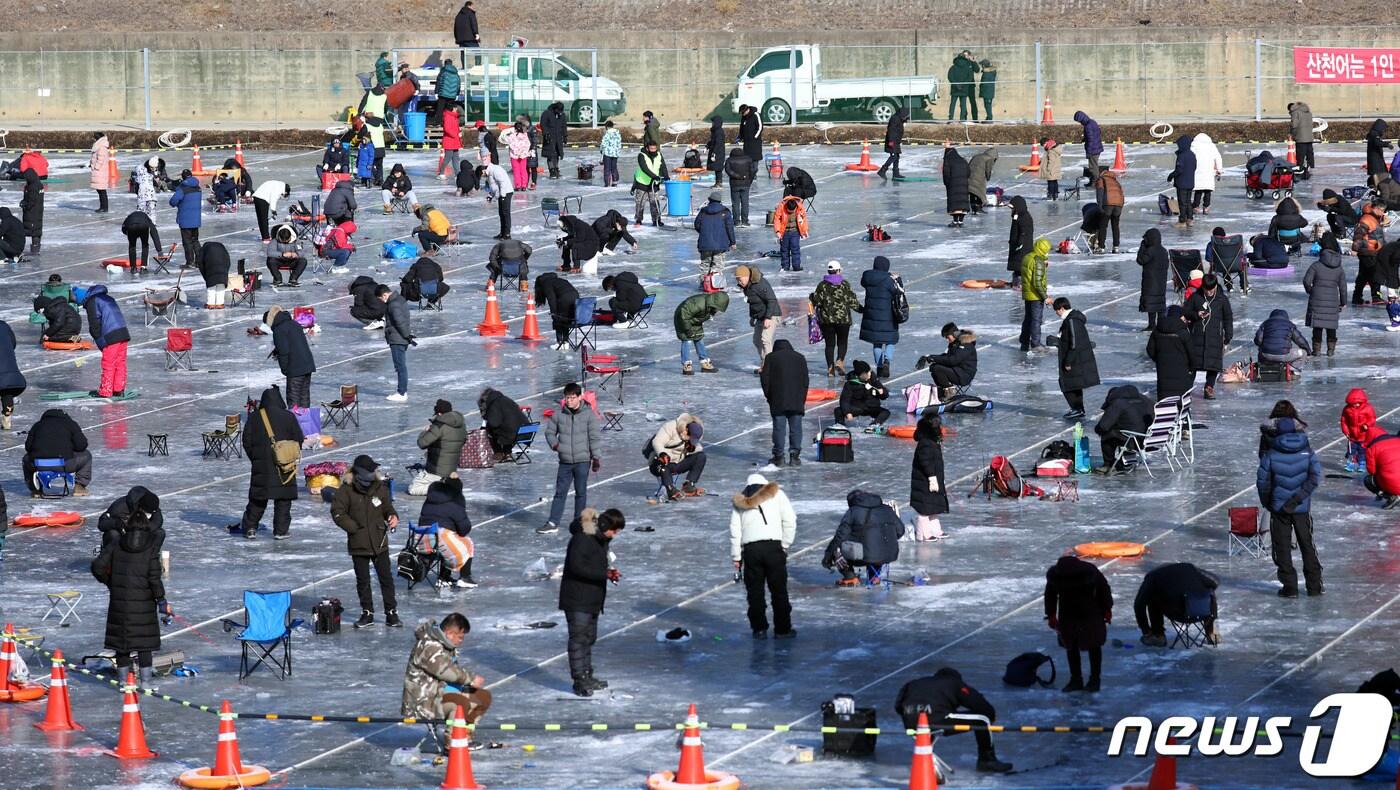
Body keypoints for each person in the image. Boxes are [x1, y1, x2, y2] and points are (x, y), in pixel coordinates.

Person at [91, 490, 167, 686]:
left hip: (120, 597)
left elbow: (97, 566)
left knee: (122, 644)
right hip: (143, 601)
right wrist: (161, 599)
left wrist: (111, 581)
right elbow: (154, 577)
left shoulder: (117, 544)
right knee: (144, 645)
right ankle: (146, 683)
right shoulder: (148, 549)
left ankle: (124, 682)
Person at [894, 669, 1012, 773]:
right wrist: (991, 716)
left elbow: (898, 706)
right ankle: (987, 761)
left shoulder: (913, 683)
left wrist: (914, 713)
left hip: (911, 722)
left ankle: (928, 759)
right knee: (983, 719)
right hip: (936, 719)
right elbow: (977, 702)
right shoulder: (954, 682)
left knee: (931, 724)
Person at [402, 612, 489, 753]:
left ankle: (465, 736)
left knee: (481, 698)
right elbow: (444, 670)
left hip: (440, 692)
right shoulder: (429, 646)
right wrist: (470, 679)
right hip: (424, 700)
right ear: (449, 633)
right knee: (460, 703)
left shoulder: (443, 644)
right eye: (460, 637)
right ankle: (452, 742)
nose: (461, 641)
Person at [560, 507, 624, 697]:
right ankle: (579, 680)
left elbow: (595, 565)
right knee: (579, 639)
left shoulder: (601, 540)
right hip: (577, 598)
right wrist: (603, 574)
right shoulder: (582, 539)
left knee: (589, 638)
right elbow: (577, 567)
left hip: (592, 598)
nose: (615, 535)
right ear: (605, 525)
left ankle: (587, 675)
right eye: (615, 530)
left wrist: (608, 573)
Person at [1256, 417, 1323, 598]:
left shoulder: (1270, 454)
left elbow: (1263, 482)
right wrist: (1299, 498)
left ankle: (1290, 588)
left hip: (1278, 509)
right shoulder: (1307, 451)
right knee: (1307, 545)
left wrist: (1267, 502)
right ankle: (1315, 586)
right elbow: (1315, 478)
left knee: (1282, 547)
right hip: (1301, 508)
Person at [332, 455, 400, 628]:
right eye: (370, 470)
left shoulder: (380, 487)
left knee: (386, 578)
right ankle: (367, 612)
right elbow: (338, 513)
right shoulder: (346, 490)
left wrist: (393, 516)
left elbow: (387, 507)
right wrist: (354, 528)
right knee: (363, 580)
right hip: (358, 543)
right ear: (361, 473)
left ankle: (391, 612)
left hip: (379, 540)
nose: (373, 473)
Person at [729, 472, 796, 639]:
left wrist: (736, 557)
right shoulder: (778, 494)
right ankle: (783, 629)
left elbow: (735, 531)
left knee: (755, 592)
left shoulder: (740, 501)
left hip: (751, 551)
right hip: (774, 548)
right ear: (765, 484)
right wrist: (785, 545)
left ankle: (759, 629)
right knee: (779, 591)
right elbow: (790, 520)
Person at [235, 385, 303, 540]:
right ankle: (281, 530)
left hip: (262, 465)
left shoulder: (254, 417)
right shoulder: (288, 417)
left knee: (258, 499)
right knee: (283, 499)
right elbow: (298, 438)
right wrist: (288, 456)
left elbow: (247, 440)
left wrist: (256, 458)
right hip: (284, 465)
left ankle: (250, 527)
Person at [1043, 554, 1112, 692]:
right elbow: (1050, 594)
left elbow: (1103, 589)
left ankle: (1092, 680)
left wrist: (1106, 609)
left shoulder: (1087, 572)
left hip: (1089, 612)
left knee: (1092, 645)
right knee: (1072, 645)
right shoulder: (1058, 575)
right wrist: (1051, 614)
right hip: (1071, 614)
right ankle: (1078, 680)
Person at [539, 383, 601, 534]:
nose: (569, 401)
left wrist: (596, 458)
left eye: (572, 398)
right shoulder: (559, 415)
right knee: (560, 492)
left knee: (581, 492)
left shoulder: (589, 415)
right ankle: (553, 522)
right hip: (565, 462)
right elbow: (549, 433)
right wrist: (555, 445)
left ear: (580, 397)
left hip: (582, 461)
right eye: (567, 398)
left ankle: (579, 522)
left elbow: (594, 438)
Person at [823, 489, 904, 585]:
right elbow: (901, 531)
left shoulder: (853, 511)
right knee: (875, 548)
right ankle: (874, 576)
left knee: (836, 551)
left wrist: (828, 555)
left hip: (863, 556)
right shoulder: (887, 509)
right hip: (887, 554)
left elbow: (840, 536)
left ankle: (850, 577)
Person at [1136, 563, 1219, 647]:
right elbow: (1215, 581)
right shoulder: (1191, 568)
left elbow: (1139, 604)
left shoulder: (1153, 576)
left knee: (1152, 598)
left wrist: (1146, 630)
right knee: (1209, 593)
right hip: (1202, 613)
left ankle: (1158, 636)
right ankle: (1210, 633)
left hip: (1177, 614)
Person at [1049, 297, 1100, 420]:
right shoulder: (1073, 319)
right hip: (1077, 358)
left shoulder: (1072, 321)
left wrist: (1068, 361)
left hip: (1074, 359)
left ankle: (1077, 409)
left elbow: (1074, 343)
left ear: (1061, 308)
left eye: (1057, 310)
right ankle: (1078, 409)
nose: (1056, 313)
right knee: (1074, 384)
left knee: (1066, 383)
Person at [1183, 274, 1233, 399]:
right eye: (1207, 290)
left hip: (1215, 337)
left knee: (1213, 364)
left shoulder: (1222, 299)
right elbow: (1185, 312)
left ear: (1216, 286)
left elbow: (1228, 318)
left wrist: (1228, 334)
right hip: (1197, 336)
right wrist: (1196, 314)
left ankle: (1209, 387)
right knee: (1192, 364)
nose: (1209, 292)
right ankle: (1186, 388)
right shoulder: (1195, 297)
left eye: (1211, 289)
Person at [420, 476, 475, 588]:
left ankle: (444, 577)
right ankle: (465, 577)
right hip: (440, 540)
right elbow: (464, 529)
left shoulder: (430, 499)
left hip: (421, 539)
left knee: (445, 543)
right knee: (467, 542)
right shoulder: (455, 503)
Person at [809, 261, 861, 377]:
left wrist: (812, 296)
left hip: (827, 321)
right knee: (842, 342)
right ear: (838, 271)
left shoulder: (822, 285)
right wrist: (862, 309)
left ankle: (830, 368)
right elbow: (851, 300)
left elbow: (816, 301)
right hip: (843, 320)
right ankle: (840, 361)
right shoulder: (844, 284)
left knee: (830, 344)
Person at [761, 339, 809, 468]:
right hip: (797, 399)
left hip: (778, 399)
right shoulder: (800, 358)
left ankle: (779, 457)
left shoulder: (771, 358)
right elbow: (805, 380)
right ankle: (795, 456)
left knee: (779, 428)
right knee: (796, 428)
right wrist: (802, 397)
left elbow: (765, 379)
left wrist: (769, 396)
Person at [406, 399, 467, 496]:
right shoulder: (461, 425)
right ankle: (444, 483)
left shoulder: (439, 426)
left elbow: (422, 443)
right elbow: (463, 440)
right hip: (451, 469)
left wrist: (425, 431)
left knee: (413, 489)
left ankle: (442, 487)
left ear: (439, 413)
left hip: (436, 470)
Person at [24, 408, 92, 496]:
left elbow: (28, 447)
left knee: (26, 459)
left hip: (39, 465)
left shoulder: (37, 425)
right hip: (64, 464)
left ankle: (35, 490)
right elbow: (81, 445)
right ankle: (80, 486)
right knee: (86, 455)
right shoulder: (70, 424)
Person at [80, 284, 130, 400]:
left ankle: (106, 391)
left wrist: (100, 341)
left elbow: (94, 325)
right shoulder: (108, 298)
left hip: (111, 334)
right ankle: (118, 390)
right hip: (123, 332)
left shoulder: (93, 301)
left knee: (108, 363)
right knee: (120, 362)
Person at [859, 255, 901, 378]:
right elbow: (898, 291)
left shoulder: (867, 277)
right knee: (890, 340)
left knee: (876, 343)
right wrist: (898, 279)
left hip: (871, 314)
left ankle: (879, 366)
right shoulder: (888, 280)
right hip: (888, 314)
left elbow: (863, 282)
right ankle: (887, 360)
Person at [264, 306, 315, 409]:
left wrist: (285, 370)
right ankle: (305, 423)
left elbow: (284, 352)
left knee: (294, 400)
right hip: (307, 365)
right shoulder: (294, 324)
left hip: (295, 368)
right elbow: (294, 344)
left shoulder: (279, 330)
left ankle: (295, 423)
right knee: (304, 397)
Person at [1094, 385, 1153, 471]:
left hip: (1133, 441)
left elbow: (1103, 426)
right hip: (1149, 439)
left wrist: (1099, 429)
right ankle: (1125, 460)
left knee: (1108, 434)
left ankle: (1108, 464)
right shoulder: (1144, 400)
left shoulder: (1118, 403)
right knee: (1124, 429)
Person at [910, 411, 949, 541]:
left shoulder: (932, 441)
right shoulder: (926, 442)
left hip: (934, 478)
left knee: (933, 505)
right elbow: (925, 461)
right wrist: (932, 477)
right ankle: (923, 534)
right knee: (925, 508)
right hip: (924, 480)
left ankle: (935, 530)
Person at [649, 413, 707, 499]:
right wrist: (662, 453)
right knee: (662, 462)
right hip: (660, 463)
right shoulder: (670, 427)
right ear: (686, 430)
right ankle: (670, 490)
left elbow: (698, 448)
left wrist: (692, 449)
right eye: (691, 438)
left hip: (678, 463)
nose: (692, 440)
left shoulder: (693, 433)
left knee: (701, 456)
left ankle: (689, 485)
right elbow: (657, 442)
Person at [1146, 306, 1197, 401]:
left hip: (1163, 372)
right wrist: (1191, 368)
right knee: (1181, 401)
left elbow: (1150, 350)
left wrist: (1160, 360)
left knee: (1165, 403)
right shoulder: (1183, 332)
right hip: (1182, 373)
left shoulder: (1157, 331)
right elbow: (1191, 353)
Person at [735, 265, 779, 372]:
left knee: (765, 339)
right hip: (760, 316)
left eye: (740, 279)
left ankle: (769, 367)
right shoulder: (746, 287)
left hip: (772, 314)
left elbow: (772, 300)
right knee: (756, 340)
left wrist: (768, 317)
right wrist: (752, 317)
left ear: (746, 277)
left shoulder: (760, 284)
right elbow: (752, 303)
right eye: (737, 280)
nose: (739, 282)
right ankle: (765, 362)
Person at [1303, 249, 1347, 356]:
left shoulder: (1316, 265)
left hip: (1317, 298)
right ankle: (1331, 350)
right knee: (1331, 326)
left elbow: (1306, 281)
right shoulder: (1339, 269)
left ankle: (1316, 350)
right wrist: (1343, 302)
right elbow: (1343, 288)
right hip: (1332, 301)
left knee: (1317, 326)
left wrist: (1311, 291)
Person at [674, 291, 728, 375]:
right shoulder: (699, 304)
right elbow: (683, 315)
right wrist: (688, 331)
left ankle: (704, 363)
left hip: (695, 319)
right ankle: (686, 364)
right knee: (686, 339)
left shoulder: (710, 306)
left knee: (699, 338)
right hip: (682, 318)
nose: (717, 310)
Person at [378, 284, 413, 402]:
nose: (382, 301)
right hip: (401, 338)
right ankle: (402, 391)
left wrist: (406, 336)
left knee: (400, 366)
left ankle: (401, 392)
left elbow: (399, 322)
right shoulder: (400, 299)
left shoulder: (393, 304)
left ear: (384, 295)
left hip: (397, 339)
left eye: (381, 298)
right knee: (401, 366)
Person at [694, 191, 735, 285]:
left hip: (705, 244)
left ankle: (704, 285)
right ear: (720, 201)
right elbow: (730, 228)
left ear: (710, 200)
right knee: (717, 266)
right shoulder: (725, 211)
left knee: (705, 265)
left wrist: (705, 233)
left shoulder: (703, 211)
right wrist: (733, 242)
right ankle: (715, 286)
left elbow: (697, 225)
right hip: (720, 245)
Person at [837, 360, 889, 429]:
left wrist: (883, 392)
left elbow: (884, 395)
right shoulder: (850, 383)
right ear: (862, 374)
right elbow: (844, 400)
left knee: (885, 412)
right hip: (857, 407)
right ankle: (840, 425)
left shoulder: (873, 379)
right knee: (838, 411)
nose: (870, 373)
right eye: (868, 372)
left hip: (871, 407)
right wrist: (847, 412)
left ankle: (874, 425)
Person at [1019, 238, 1051, 352]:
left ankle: (1024, 342)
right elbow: (1037, 282)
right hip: (1036, 295)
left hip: (1028, 293)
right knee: (1036, 320)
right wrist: (1045, 297)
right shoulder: (1038, 261)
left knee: (1028, 319)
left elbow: (1029, 273)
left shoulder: (1028, 257)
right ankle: (1035, 343)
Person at [478, 388, 527, 462]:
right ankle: (507, 452)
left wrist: (486, 416)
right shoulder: (506, 399)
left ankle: (499, 453)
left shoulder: (494, 404)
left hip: (513, 434)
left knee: (488, 429)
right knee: (507, 427)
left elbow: (494, 423)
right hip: (526, 431)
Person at [535, 272, 579, 350]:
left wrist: (554, 313)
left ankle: (560, 342)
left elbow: (552, 299)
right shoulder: (558, 280)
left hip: (565, 298)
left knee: (558, 318)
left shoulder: (546, 283)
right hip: (576, 297)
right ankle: (565, 342)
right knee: (566, 319)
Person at [1136, 228, 1168, 330]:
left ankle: (1151, 325)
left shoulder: (1150, 250)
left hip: (1150, 281)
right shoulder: (1163, 251)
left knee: (1151, 302)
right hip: (1161, 281)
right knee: (1159, 303)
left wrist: (1142, 247)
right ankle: (1161, 324)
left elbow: (1140, 260)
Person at [169, 170, 203, 267]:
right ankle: (199, 261)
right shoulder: (197, 187)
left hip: (185, 219)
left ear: (183, 177)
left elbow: (173, 201)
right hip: (196, 219)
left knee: (187, 242)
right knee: (195, 240)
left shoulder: (182, 188)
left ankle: (190, 262)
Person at [1341, 388, 1377, 473]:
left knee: (1362, 451)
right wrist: (1346, 431)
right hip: (1352, 436)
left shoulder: (1368, 408)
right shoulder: (1347, 409)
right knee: (1351, 451)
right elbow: (1344, 421)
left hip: (1363, 436)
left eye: (1357, 403)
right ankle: (1350, 464)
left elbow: (1372, 418)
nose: (1355, 405)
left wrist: (1367, 425)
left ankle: (1362, 464)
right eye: (1353, 404)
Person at [632, 141, 667, 228]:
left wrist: (666, 175)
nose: (653, 150)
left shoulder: (659, 155)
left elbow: (663, 166)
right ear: (647, 148)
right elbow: (644, 168)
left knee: (654, 202)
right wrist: (654, 176)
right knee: (640, 203)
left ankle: (656, 220)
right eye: (651, 149)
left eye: (655, 148)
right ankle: (638, 219)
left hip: (654, 183)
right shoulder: (641, 155)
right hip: (642, 182)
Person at [476, 162, 514, 240]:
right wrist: (490, 196)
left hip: (506, 192)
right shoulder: (489, 174)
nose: (483, 177)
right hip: (501, 193)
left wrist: (503, 196)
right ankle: (502, 233)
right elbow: (494, 187)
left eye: (482, 175)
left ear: (483, 171)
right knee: (501, 214)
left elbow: (502, 182)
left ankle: (507, 234)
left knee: (505, 214)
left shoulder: (495, 170)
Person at [1206, 227, 1250, 294]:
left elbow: (1208, 257)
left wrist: (1214, 260)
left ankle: (1229, 286)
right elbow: (1243, 254)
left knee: (1224, 265)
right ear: (1224, 235)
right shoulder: (1235, 243)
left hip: (1220, 266)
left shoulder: (1211, 244)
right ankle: (1244, 286)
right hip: (1237, 265)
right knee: (1241, 266)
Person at [1364, 426, 1400, 508]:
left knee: (1368, 480)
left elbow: (1372, 471)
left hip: (1394, 482)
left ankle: (1389, 496)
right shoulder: (1398, 440)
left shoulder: (1372, 448)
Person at [1167, 135, 1197, 227]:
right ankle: (1190, 219)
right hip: (1190, 182)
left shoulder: (1182, 156)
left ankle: (1182, 221)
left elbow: (1179, 170)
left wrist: (1171, 176)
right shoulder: (1192, 154)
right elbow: (1195, 167)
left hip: (1182, 183)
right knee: (1188, 202)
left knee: (1182, 203)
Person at [1190, 132, 1223, 214]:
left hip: (1197, 171)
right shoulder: (1212, 146)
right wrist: (1219, 169)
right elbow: (1218, 158)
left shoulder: (1194, 146)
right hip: (1209, 172)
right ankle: (1206, 207)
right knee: (1207, 190)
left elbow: (1190, 158)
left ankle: (1196, 206)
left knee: (1198, 190)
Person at [773, 194, 807, 271]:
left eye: (792, 211)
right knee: (784, 250)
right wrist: (777, 231)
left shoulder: (800, 207)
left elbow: (804, 220)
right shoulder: (781, 206)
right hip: (784, 232)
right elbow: (777, 219)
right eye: (789, 211)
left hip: (795, 232)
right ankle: (785, 266)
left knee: (795, 249)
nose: (790, 212)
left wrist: (805, 230)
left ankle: (796, 266)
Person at [940, 145, 972, 228]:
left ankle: (955, 221)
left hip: (953, 185)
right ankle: (960, 221)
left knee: (955, 205)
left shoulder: (948, 161)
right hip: (963, 185)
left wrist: (947, 184)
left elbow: (946, 174)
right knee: (962, 204)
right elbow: (969, 173)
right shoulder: (963, 160)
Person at [946, 50, 980, 121]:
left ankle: (975, 118)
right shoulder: (961, 66)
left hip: (970, 86)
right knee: (962, 104)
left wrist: (973, 61)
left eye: (967, 55)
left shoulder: (970, 63)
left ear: (969, 56)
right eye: (964, 55)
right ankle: (963, 118)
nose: (966, 56)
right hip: (965, 86)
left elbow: (977, 70)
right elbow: (969, 76)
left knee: (972, 102)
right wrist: (962, 84)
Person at [196, 241, 231, 310]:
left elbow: (200, 263)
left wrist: (205, 276)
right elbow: (228, 260)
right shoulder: (222, 247)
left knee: (211, 285)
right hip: (223, 268)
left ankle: (211, 304)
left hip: (210, 268)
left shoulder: (204, 249)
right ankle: (220, 303)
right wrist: (225, 271)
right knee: (221, 284)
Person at [1007, 195, 1033, 287]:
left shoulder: (1025, 217)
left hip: (1022, 247)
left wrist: (1020, 243)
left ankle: (1020, 283)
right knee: (1017, 266)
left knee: (1021, 265)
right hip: (1017, 245)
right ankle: (1016, 282)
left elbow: (1024, 231)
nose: (1012, 210)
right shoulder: (1017, 216)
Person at [725, 147, 754, 226]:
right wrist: (749, 180)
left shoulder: (729, 160)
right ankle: (745, 221)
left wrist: (737, 176)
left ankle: (736, 221)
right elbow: (752, 171)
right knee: (745, 203)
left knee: (735, 203)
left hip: (734, 184)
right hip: (745, 184)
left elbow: (728, 170)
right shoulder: (748, 159)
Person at [878, 106, 908, 179]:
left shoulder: (899, 119)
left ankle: (896, 174)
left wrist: (904, 120)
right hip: (892, 141)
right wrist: (891, 141)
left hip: (896, 141)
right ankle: (882, 170)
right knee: (893, 156)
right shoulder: (895, 119)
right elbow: (891, 131)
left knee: (896, 156)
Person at [19, 166, 43, 254]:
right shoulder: (37, 184)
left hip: (32, 213)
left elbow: (32, 200)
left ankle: (33, 250)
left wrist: (25, 204)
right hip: (37, 212)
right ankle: (35, 249)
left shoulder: (33, 186)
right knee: (36, 231)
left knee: (33, 231)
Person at [540, 101, 567, 178]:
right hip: (549, 137)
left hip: (558, 138)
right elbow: (543, 124)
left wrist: (565, 136)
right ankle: (551, 170)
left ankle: (556, 168)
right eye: (559, 111)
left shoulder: (562, 115)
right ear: (555, 109)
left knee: (557, 154)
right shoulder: (547, 113)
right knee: (550, 154)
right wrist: (546, 134)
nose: (560, 112)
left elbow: (564, 126)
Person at [1288, 101, 1315, 177]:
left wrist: (1291, 133)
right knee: (1309, 152)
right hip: (1309, 135)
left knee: (1300, 153)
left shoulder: (1295, 112)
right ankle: (1309, 166)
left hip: (1300, 136)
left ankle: (1300, 168)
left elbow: (1294, 125)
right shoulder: (1308, 112)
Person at [967, 147, 997, 214]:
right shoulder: (989, 159)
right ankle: (979, 208)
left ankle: (973, 209)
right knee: (980, 193)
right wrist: (988, 177)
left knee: (972, 192)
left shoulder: (977, 156)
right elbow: (988, 170)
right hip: (979, 178)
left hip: (970, 176)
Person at [1073, 111, 1104, 176]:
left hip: (1093, 149)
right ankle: (1094, 181)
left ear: (1081, 119)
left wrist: (1089, 153)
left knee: (1093, 167)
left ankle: (1096, 182)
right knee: (1094, 165)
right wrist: (1085, 139)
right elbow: (1096, 133)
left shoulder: (1088, 126)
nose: (1080, 123)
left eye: (1079, 121)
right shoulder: (1092, 122)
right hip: (1097, 147)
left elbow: (1091, 140)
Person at [504, 120, 532, 190]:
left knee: (516, 171)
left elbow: (511, 144)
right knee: (523, 170)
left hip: (514, 156)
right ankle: (524, 185)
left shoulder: (512, 136)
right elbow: (527, 145)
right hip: (523, 156)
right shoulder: (525, 135)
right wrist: (522, 152)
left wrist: (517, 152)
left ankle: (518, 185)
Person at [738, 103, 763, 180]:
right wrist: (740, 137)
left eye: (743, 112)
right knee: (747, 160)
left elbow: (760, 127)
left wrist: (755, 137)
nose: (743, 114)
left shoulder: (756, 115)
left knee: (755, 160)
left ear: (747, 110)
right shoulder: (744, 117)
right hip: (747, 143)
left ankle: (754, 173)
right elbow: (741, 128)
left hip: (755, 142)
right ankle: (750, 174)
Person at [90, 132, 112, 213]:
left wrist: (96, 167)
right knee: (100, 190)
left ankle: (104, 208)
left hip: (100, 171)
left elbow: (101, 159)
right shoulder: (98, 145)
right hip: (98, 171)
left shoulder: (101, 147)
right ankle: (102, 207)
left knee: (102, 190)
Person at [597, 120, 622, 187]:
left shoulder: (607, 133)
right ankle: (615, 181)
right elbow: (619, 143)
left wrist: (601, 150)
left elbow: (603, 144)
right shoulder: (617, 133)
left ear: (607, 127)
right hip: (615, 154)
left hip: (607, 153)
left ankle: (607, 183)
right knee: (614, 168)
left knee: (607, 168)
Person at [434, 59, 460, 124]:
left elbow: (439, 82)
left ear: (445, 64)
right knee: (449, 110)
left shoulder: (443, 71)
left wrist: (436, 92)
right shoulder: (456, 73)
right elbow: (458, 84)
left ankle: (438, 123)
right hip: (452, 95)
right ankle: (448, 122)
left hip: (443, 94)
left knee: (440, 109)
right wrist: (457, 94)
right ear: (451, 64)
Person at [704, 115, 726, 187]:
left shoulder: (719, 131)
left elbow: (718, 143)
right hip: (716, 151)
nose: (712, 124)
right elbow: (713, 141)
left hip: (719, 152)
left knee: (718, 167)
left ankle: (719, 183)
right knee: (717, 168)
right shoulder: (715, 131)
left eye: (713, 122)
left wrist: (714, 153)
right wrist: (707, 146)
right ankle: (718, 182)